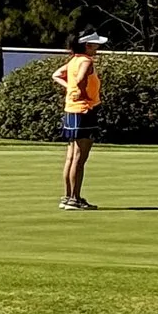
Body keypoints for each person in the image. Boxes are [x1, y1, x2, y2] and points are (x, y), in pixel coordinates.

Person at [52, 32, 106, 210]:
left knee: (71, 157)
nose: (97, 47)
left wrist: (71, 88)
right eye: (94, 45)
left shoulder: (74, 60)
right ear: (87, 46)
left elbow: (57, 75)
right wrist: (82, 93)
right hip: (84, 111)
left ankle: (68, 197)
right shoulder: (86, 61)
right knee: (79, 158)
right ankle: (74, 199)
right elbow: (81, 78)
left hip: (72, 109)